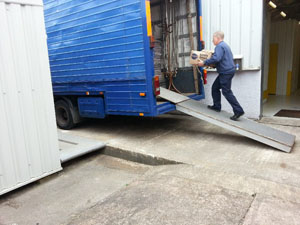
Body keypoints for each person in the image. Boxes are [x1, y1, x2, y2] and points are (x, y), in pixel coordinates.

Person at [198, 31, 244, 121]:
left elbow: (216, 58)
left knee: (226, 92)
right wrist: (213, 65)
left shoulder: (219, 46)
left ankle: (238, 110)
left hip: (225, 72)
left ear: (217, 38)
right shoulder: (225, 46)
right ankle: (216, 106)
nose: (212, 40)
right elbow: (221, 60)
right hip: (227, 71)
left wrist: (204, 62)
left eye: (213, 38)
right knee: (215, 88)